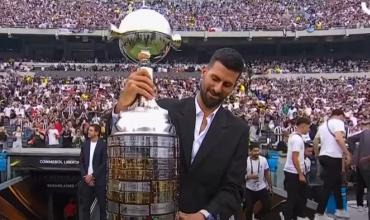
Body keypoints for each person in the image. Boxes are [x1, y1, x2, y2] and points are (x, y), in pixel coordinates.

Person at [112, 48, 250, 220]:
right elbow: (120, 145)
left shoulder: (239, 130)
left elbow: (234, 188)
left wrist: (203, 216)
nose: (217, 88)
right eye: (215, 78)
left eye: (227, 84)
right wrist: (122, 106)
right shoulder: (164, 110)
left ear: (234, 87)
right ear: (204, 72)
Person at [313, 109, 351, 220]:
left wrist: (317, 155)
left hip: (323, 156)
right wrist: (347, 153)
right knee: (328, 186)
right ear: (339, 116)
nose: (343, 121)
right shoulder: (338, 122)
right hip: (334, 157)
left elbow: (315, 140)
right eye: (343, 118)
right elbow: (339, 138)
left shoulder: (323, 125)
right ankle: (319, 214)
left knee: (336, 184)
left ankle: (340, 210)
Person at [281, 117, 311, 220]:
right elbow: (294, 158)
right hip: (294, 173)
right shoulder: (297, 139)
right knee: (293, 198)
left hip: (294, 172)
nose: (309, 129)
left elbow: (296, 155)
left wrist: (305, 152)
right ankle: (286, 214)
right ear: (303, 126)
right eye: (308, 127)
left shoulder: (294, 136)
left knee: (300, 197)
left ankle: (296, 216)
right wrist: (301, 174)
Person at [79, 124, 107, 220]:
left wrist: (92, 176)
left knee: (103, 208)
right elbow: (81, 162)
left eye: (91, 130)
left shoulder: (103, 145)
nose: (88, 132)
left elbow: (104, 163)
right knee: (85, 208)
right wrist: (86, 177)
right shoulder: (85, 144)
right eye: (89, 130)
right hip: (86, 181)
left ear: (96, 132)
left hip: (99, 181)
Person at [347, 120, 370, 219]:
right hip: (365, 162)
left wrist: (355, 152)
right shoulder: (365, 133)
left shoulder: (364, 133)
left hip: (360, 162)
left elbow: (350, 139)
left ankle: (360, 204)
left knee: (360, 185)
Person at [244, 143, 272, 220]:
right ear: (250, 151)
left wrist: (270, 186)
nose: (257, 152)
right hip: (249, 189)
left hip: (261, 187)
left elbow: (267, 172)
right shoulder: (245, 161)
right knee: (249, 208)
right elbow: (240, 177)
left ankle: (257, 217)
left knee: (267, 206)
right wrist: (249, 177)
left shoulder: (263, 160)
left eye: (258, 150)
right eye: (254, 151)